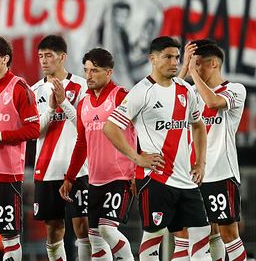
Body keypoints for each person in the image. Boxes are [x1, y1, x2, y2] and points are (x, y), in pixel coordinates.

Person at [103, 36, 211, 261]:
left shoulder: (185, 90)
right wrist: (137, 158)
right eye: (168, 57)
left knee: (202, 232)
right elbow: (111, 127)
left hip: (186, 179)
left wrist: (200, 162)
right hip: (156, 178)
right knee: (154, 236)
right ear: (152, 59)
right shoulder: (140, 92)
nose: (174, 62)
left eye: (177, 57)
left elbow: (199, 126)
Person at [59, 49, 136, 261]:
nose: (89, 76)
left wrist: (139, 168)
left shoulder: (120, 96)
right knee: (95, 237)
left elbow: (141, 130)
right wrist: (70, 177)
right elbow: (82, 143)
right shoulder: (83, 104)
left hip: (120, 177)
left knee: (107, 230)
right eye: (86, 70)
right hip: (95, 180)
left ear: (109, 72)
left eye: (94, 70)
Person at [180, 41, 247, 261]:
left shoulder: (235, 89)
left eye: (199, 64)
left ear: (214, 63)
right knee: (198, 233)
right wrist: (183, 68)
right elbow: (170, 96)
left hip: (221, 173)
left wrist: (192, 74)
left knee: (229, 234)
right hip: (193, 175)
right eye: (193, 64)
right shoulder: (191, 92)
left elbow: (213, 101)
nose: (195, 69)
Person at [30, 35, 91, 261]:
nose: (44, 61)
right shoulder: (34, 90)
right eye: (40, 56)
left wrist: (64, 103)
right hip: (46, 168)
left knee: (83, 227)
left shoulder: (81, 86)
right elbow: (34, 131)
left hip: (77, 169)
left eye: (49, 56)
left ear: (62, 57)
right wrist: (50, 109)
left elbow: (85, 127)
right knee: (53, 230)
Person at [0, 35, 41, 261]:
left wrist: (1, 136)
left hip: (7, 174)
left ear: (5, 58)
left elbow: (33, 130)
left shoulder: (19, 88)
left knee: (9, 236)